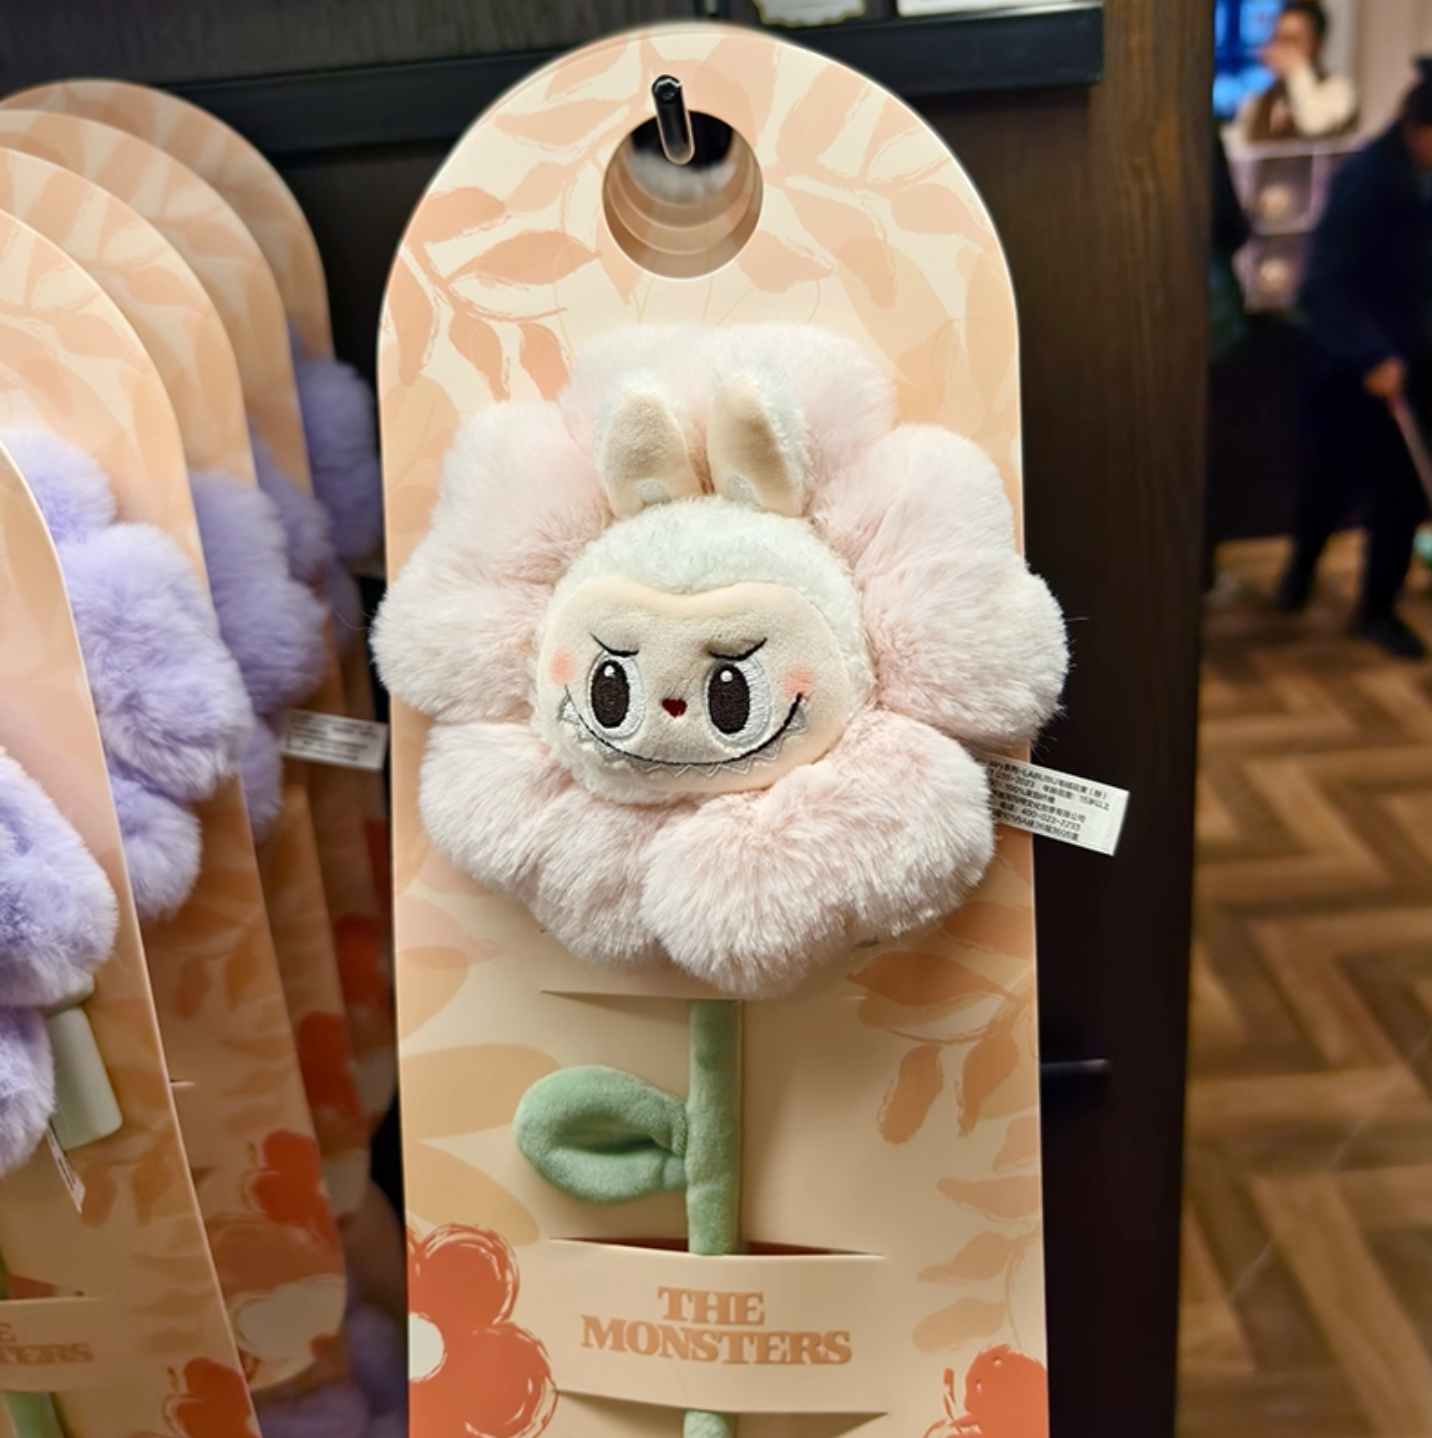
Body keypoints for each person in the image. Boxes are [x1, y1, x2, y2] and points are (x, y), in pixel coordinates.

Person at [1276, 70, 1432, 659]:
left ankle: (1378, 608)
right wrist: (1371, 353)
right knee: (1328, 484)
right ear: (1419, 129)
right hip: (1348, 366)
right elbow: (1324, 285)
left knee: (1401, 497)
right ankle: (1298, 576)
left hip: (1411, 362)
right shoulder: (1366, 180)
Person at [1228, 1, 1357, 144]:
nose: (1283, 49)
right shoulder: (1258, 100)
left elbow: (1314, 126)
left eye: (1292, 41)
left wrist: (1297, 71)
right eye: (1278, 39)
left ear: (1317, 44)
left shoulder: (1338, 91)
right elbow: (1238, 145)